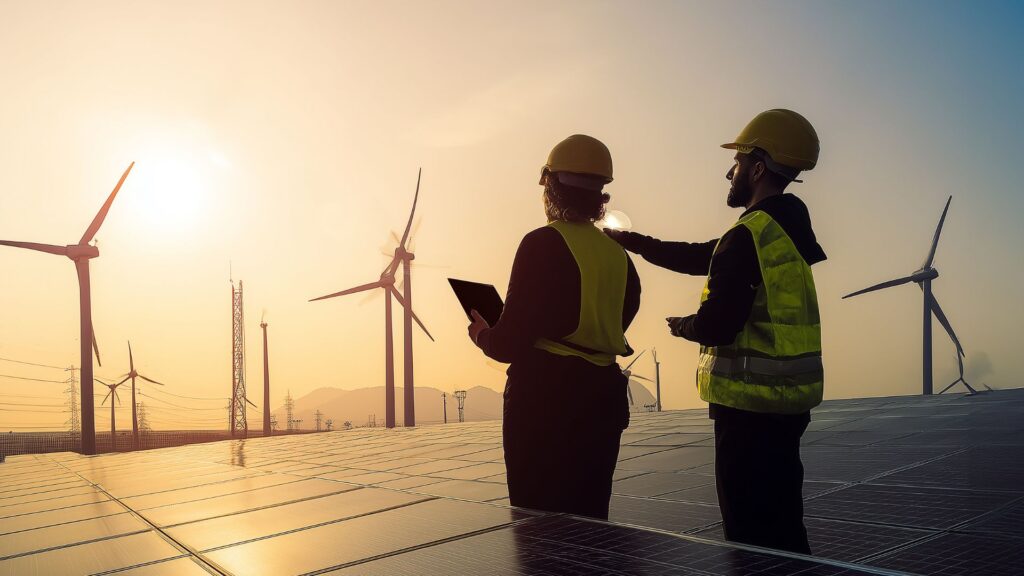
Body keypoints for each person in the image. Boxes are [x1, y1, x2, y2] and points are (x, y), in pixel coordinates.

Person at [606, 109, 825, 554]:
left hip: (749, 412)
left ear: (758, 168)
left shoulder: (749, 235)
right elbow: (701, 256)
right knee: (783, 528)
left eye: (739, 162)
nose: (731, 172)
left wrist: (685, 326)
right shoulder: (781, 230)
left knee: (751, 538)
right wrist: (632, 241)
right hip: (786, 407)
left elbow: (720, 322)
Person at [467, 134, 641, 520]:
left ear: (552, 187)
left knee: (539, 529)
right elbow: (621, 315)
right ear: (601, 197)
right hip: (603, 400)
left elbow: (508, 343)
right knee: (590, 525)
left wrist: (482, 333)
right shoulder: (619, 255)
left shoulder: (541, 243)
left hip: (544, 403)